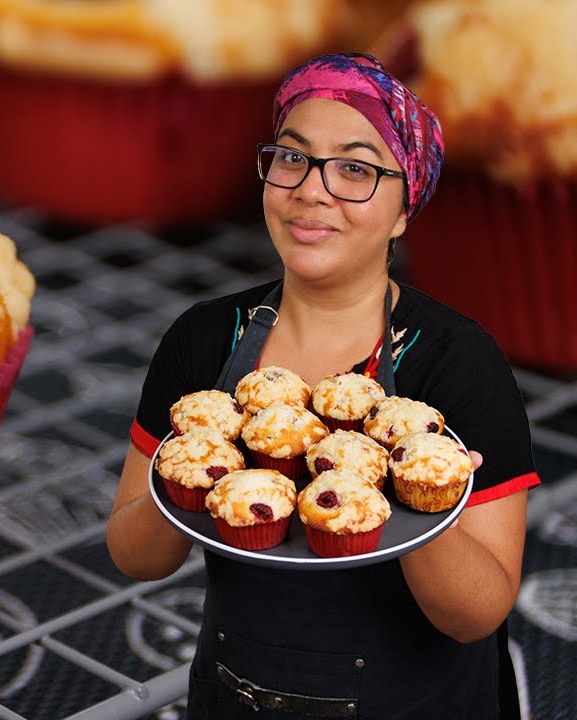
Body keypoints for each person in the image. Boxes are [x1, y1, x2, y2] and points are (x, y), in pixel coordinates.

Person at [106, 53, 540, 719]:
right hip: (241, 688)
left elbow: (474, 616)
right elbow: (135, 558)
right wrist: (192, 470)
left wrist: (426, 498)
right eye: (292, 158)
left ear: (404, 209)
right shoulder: (206, 339)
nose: (312, 189)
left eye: (356, 169)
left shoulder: (458, 362)